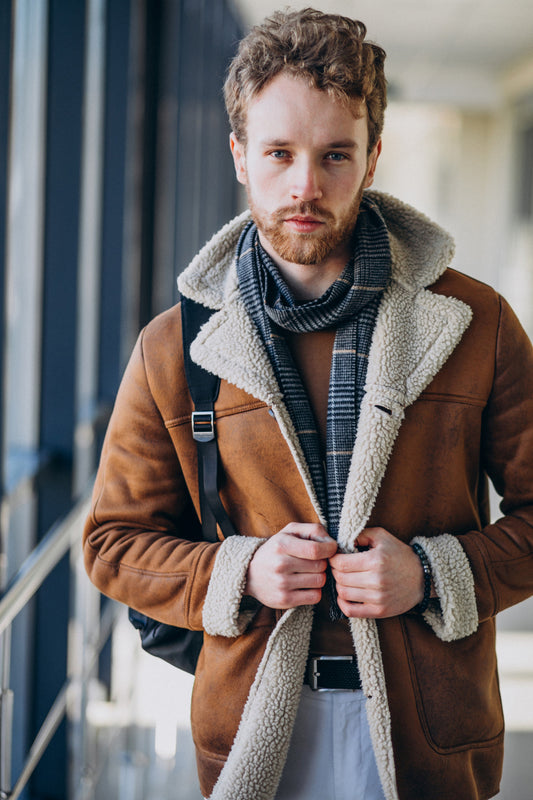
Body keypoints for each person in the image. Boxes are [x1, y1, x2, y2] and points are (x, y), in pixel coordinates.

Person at [83, 8, 533, 800]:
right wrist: (242, 570)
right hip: (253, 723)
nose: (304, 185)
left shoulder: (478, 322)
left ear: (371, 160)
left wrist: (434, 571)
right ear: (238, 156)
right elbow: (114, 544)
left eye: (333, 156)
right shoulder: (171, 345)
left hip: (431, 725)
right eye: (278, 153)